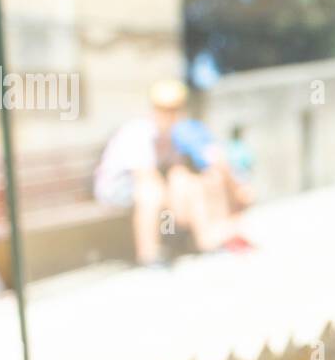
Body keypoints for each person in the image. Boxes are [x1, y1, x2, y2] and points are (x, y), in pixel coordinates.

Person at [94, 80, 250, 264]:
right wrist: (176, 201)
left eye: (174, 109)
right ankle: (149, 254)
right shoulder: (139, 132)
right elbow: (144, 176)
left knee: (188, 181)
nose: (169, 114)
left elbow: (178, 169)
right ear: (154, 109)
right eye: (164, 109)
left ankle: (205, 240)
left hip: (149, 183)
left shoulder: (174, 135)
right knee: (151, 194)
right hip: (116, 188)